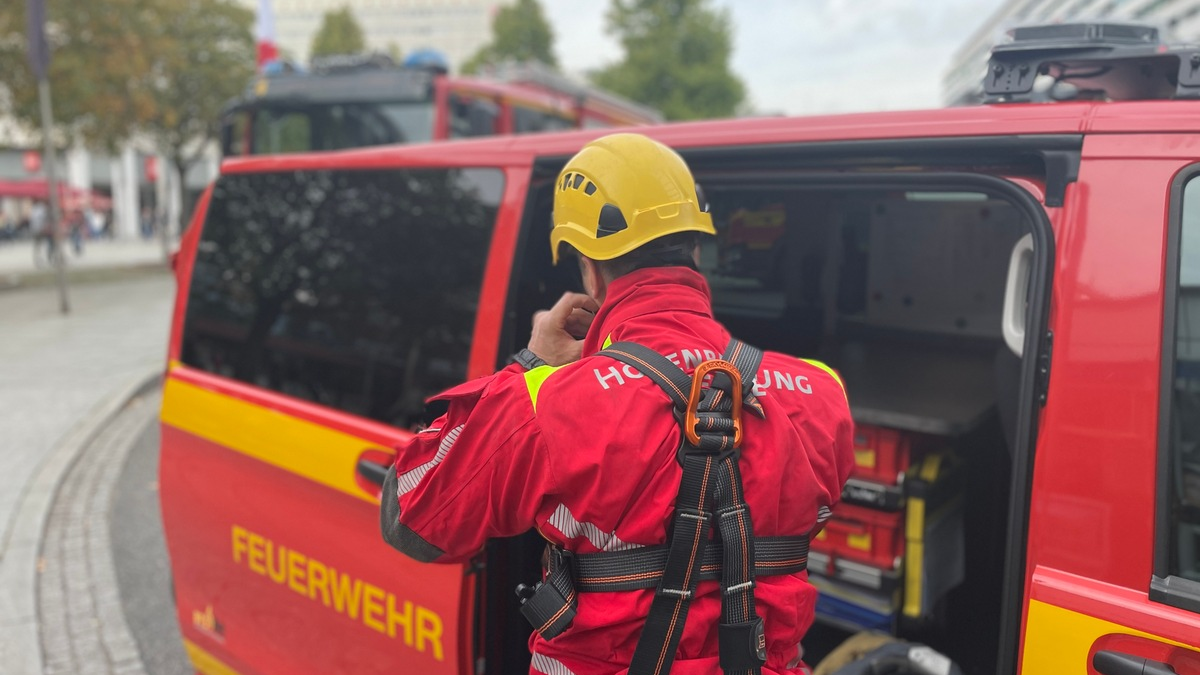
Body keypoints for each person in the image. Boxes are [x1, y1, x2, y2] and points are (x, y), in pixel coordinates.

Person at [380, 133, 854, 675]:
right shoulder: (821, 393)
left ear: (589, 266)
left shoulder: (545, 403)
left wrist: (532, 365)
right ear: (697, 250)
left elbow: (412, 523)